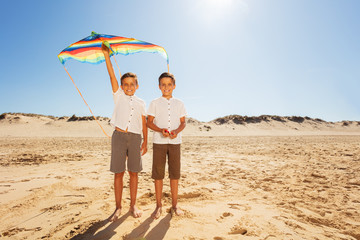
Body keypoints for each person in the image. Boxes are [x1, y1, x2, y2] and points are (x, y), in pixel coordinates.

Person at [102, 43, 148, 221]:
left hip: (136, 138)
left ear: (137, 85)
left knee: (134, 173)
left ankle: (133, 205)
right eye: (125, 84)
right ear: (121, 86)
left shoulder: (141, 102)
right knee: (119, 173)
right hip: (119, 136)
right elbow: (111, 75)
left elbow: (143, 123)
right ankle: (118, 207)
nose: (129, 86)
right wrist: (107, 55)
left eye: (132, 84)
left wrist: (145, 141)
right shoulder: (118, 95)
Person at [147, 72, 186, 219]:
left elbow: (183, 123)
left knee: (174, 174)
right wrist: (160, 130)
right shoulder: (154, 103)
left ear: (174, 86)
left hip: (175, 143)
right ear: (159, 86)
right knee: (158, 175)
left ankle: (175, 205)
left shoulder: (180, 103)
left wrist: (175, 131)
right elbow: (149, 122)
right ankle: (158, 205)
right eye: (163, 84)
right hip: (159, 142)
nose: (166, 87)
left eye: (169, 84)